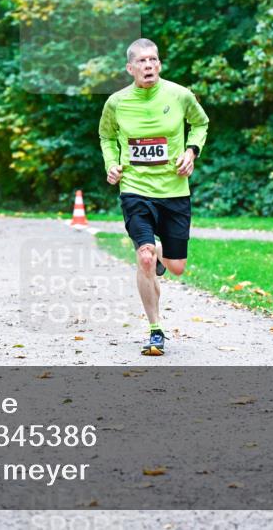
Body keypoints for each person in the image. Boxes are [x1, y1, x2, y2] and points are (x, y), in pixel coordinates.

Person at [98, 38, 209, 356]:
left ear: (159, 65)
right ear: (130, 68)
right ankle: (155, 329)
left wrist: (192, 150)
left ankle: (162, 255)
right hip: (135, 190)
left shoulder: (179, 95)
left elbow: (201, 123)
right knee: (144, 256)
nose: (148, 66)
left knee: (175, 267)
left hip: (174, 190)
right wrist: (112, 164)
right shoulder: (117, 103)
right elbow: (106, 136)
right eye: (142, 61)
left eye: (153, 60)